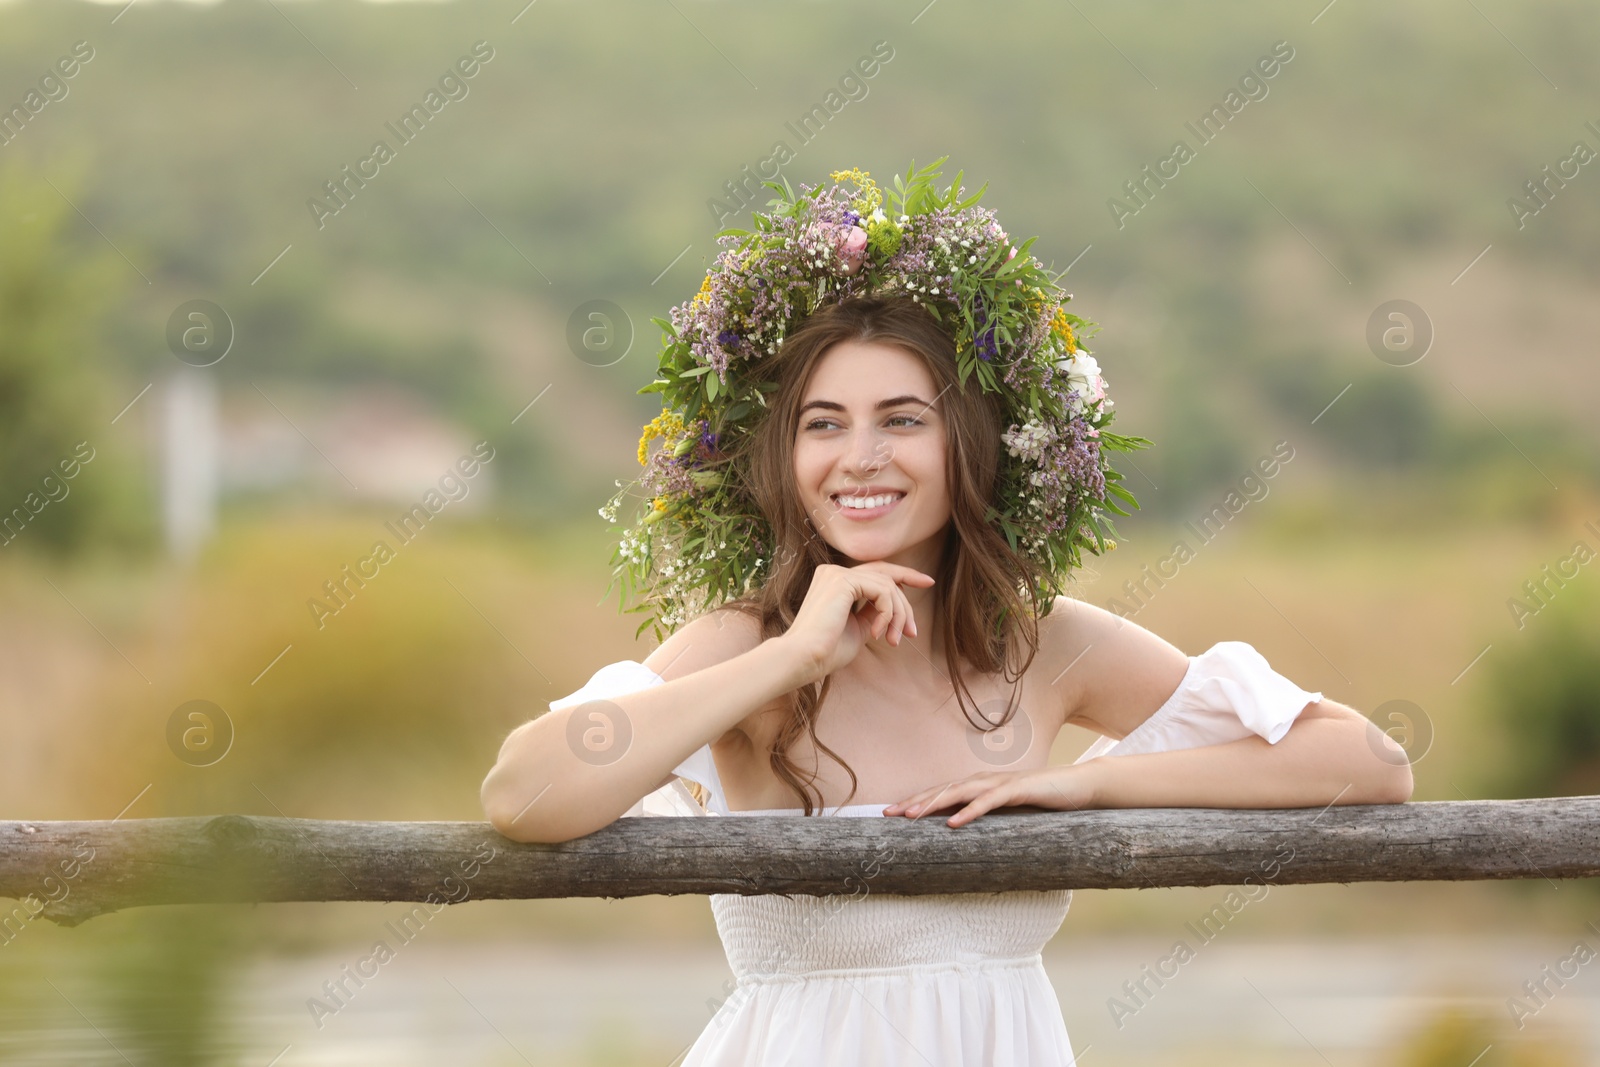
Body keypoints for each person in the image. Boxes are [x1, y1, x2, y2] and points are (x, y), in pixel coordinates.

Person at [480, 163, 1413, 1066]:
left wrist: (1085, 786)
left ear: (968, 441)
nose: (860, 457)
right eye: (823, 423)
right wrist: (794, 657)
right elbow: (521, 792)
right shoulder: (747, 643)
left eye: (902, 419)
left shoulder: (1048, 643)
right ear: (785, 456)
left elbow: (1368, 762)